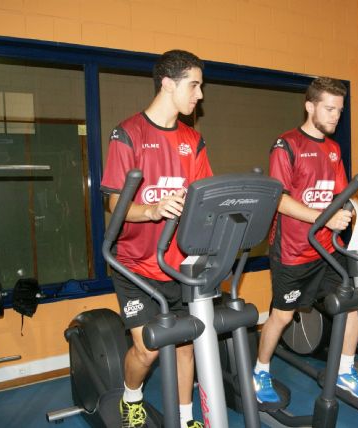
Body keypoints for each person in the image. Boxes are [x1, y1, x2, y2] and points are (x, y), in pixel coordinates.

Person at [100, 50, 212, 428]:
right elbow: (115, 206)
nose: (199, 95)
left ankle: (184, 418)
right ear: (167, 83)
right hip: (133, 264)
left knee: (184, 345)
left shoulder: (193, 140)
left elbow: (202, 197)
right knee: (147, 350)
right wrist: (150, 210)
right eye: (194, 85)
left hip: (177, 264)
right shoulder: (128, 133)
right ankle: (131, 399)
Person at [253, 77, 358, 404]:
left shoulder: (333, 149)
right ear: (310, 106)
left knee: (354, 301)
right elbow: (279, 199)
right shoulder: (286, 144)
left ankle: (345, 370)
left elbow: (341, 195)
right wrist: (324, 218)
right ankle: (260, 371)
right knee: (282, 315)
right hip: (293, 251)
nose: (335, 116)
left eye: (340, 110)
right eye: (329, 109)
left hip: (327, 250)